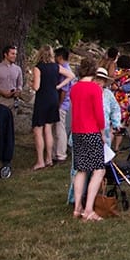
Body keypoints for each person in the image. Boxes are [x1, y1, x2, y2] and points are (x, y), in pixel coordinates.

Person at [68, 57, 107, 221]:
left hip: (77, 131)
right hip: (91, 131)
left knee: (81, 169)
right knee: (99, 169)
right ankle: (89, 209)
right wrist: (103, 132)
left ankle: (78, 207)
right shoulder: (94, 88)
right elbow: (99, 114)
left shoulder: (74, 88)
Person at [30, 44, 61, 169]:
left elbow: (36, 87)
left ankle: (40, 161)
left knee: (38, 130)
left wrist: (31, 83)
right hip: (53, 97)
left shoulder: (38, 68)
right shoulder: (56, 66)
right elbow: (71, 75)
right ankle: (49, 158)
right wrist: (58, 86)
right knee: (48, 129)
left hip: (42, 99)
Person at [52, 47, 76, 163]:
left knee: (59, 129)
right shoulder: (67, 68)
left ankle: (61, 153)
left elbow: (64, 90)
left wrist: (59, 104)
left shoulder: (64, 70)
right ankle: (56, 151)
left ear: (60, 57)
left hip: (62, 104)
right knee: (58, 128)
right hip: (65, 103)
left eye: (56, 56)